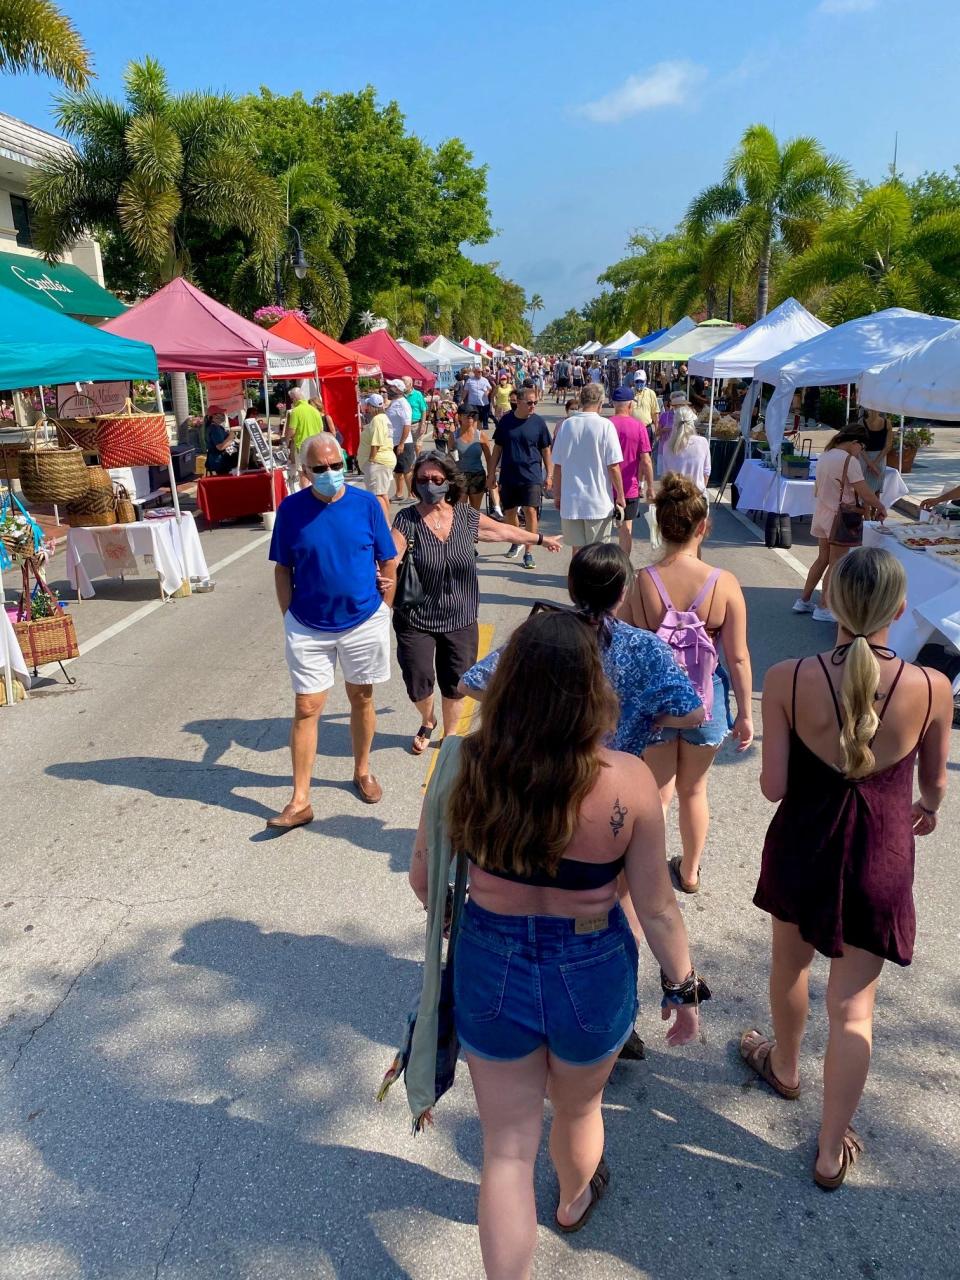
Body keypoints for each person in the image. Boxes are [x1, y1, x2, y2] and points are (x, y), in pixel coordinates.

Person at [409, 610, 705, 1277]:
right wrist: (683, 987)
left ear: (509, 682)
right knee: (579, 1109)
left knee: (507, 1150)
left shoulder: (465, 763)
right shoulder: (627, 780)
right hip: (592, 963)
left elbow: (425, 882)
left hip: (491, 962)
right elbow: (656, 906)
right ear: (592, 690)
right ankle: (573, 1201)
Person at [745, 547, 951, 1189]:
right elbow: (936, 784)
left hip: (805, 846)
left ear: (830, 601)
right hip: (881, 856)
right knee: (854, 1008)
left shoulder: (786, 677)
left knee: (790, 968)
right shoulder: (932, 687)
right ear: (899, 608)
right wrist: (926, 807)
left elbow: (774, 788)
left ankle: (784, 1066)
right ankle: (831, 1151)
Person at [622, 473, 754, 892]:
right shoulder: (724, 582)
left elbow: (626, 641)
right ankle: (691, 871)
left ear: (660, 525)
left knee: (658, 793)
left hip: (658, 705)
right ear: (703, 527)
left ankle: (649, 871)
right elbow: (736, 656)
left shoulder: (644, 580)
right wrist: (747, 715)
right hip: (706, 703)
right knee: (694, 790)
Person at [390, 451, 561, 754]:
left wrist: (539, 539)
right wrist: (379, 575)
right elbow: (392, 555)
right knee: (418, 679)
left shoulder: (465, 516)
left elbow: (501, 530)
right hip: (416, 617)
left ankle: (451, 733)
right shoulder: (407, 519)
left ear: (448, 481)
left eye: (436, 479)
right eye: (422, 480)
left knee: (456, 680)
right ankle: (428, 719)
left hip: (460, 615)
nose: (429, 485)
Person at [268, 433, 397, 826]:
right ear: (305, 472)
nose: (330, 474)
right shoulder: (291, 510)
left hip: (362, 620)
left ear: (345, 463)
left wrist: (383, 611)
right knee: (307, 706)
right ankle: (300, 799)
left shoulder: (367, 505)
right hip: (308, 625)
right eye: (320, 469)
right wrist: (289, 616)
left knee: (361, 696)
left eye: (336, 465)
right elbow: (282, 569)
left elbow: (387, 559)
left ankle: (361, 770)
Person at [793, 425, 887, 624]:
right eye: (861, 447)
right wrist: (880, 506)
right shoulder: (849, 460)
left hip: (823, 512)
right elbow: (864, 491)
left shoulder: (825, 455)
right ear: (854, 443)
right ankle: (824, 607)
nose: (861, 451)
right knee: (836, 564)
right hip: (841, 517)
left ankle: (804, 600)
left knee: (823, 559)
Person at [552, 381, 625, 549]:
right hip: (597, 502)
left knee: (577, 552)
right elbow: (613, 466)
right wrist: (620, 495)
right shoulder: (605, 425)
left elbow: (558, 465)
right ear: (600, 403)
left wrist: (557, 494)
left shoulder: (567, 425)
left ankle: (576, 576)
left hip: (571, 501)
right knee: (597, 554)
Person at [489, 384, 553, 570]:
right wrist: (491, 474)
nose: (533, 406)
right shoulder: (506, 422)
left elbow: (546, 450)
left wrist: (549, 475)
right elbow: (497, 449)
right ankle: (516, 540)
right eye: (530, 402)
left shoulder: (538, 423)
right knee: (510, 512)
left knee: (530, 511)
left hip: (531, 475)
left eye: (535, 403)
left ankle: (528, 551)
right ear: (518, 402)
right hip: (509, 475)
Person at [609, 386, 654, 557]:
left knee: (601, 529)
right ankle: (623, 567)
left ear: (614, 404)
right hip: (629, 487)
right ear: (630, 405)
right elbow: (646, 460)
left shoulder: (606, 424)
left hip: (605, 486)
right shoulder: (638, 426)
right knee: (626, 529)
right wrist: (650, 486)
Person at [660, 393, 711, 495]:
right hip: (697, 496)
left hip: (675, 498)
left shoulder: (667, 446)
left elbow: (666, 476)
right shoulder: (703, 442)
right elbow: (706, 472)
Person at [356, 393, 397, 518]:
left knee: (377, 495)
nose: (366, 407)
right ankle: (387, 522)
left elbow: (377, 442)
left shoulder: (378, 419)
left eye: (368, 405)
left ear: (371, 406)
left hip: (378, 462)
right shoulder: (383, 418)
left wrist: (371, 460)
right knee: (382, 494)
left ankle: (385, 525)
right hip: (383, 460)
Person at [453, 405, 498, 513]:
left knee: (474, 511)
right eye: (467, 416)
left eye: (473, 416)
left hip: (477, 476)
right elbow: (451, 459)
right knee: (460, 510)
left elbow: (489, 459)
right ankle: (462, 530)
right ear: (459, 417)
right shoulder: (453, 436)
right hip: (460, 477)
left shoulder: (481, 435)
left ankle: (473, 530)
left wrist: (491, 476)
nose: (470, 418)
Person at [284, 388, 323, 486]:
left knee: (303, 474)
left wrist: (286, 440)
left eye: (291, 399)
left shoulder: (296, 411)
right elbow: (321, 430)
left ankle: (305, 498)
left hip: (302, 447)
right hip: (315, 447)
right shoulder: (314, 411)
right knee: (315, 472)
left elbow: (292, 431)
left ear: (295, 398)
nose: (292, 401)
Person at [386, 380, 415, 501]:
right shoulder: (394, 402)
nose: (388, 388)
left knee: (406, 469)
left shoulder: (403, 404)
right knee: (398, 470)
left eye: (391, 386)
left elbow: (407, 425)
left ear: (398, 389)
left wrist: (402, 443)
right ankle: (399, 493)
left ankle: (412, 494)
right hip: (394, 441)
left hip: (403, 442)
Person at [861, 408, 894, 497]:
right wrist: (872, 464)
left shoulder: (887, 423)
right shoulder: (862, 423)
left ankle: (873, 509)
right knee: (869, 489)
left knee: (876, 489)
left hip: (877, 457)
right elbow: (860, 446)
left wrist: (872, 464)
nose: (873, 412)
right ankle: (871, 509)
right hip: (868, 457)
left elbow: (888, 446)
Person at [203, 406, 238, 477]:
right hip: (221, 461)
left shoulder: (216, 427)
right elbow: (220, 447)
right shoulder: (214, 428)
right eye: (221, 413)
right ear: (214, 416)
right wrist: (231, 436)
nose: (223, 415)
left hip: (219, 459)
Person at [403, 376, 429, 455]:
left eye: (405, 383)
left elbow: (424, 409)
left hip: (416, 425)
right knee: (406, 447)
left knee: (417, 447)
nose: (403, 385)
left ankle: (418, 463)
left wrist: (423, 424)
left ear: (410, 384)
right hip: (404, 425)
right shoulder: (400, 395)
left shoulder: (417, 394)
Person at [464, 365, 494, 430]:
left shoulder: (485, 380)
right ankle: (475, 430)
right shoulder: (469, 381)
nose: (480, 373)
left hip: (483, 402)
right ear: (474, 372)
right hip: (473, 403)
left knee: (483, 417)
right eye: (478, 372)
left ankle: (483, 428)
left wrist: (488, 392)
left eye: (481, 372)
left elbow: (490, 388)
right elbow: (465, 391)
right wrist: (462, 399)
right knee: (475, 417)